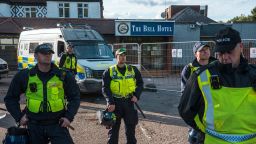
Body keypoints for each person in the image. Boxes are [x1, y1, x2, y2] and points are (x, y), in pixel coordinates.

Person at [178, 27, 256, 144]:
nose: (224, 57)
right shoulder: (201, 75)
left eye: (229, 51)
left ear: (240, 47)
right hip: (213, 140)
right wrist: (204, 130)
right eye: (220, 52)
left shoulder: (253, 75)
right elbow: (185, 110)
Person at [4, 43, 80, 144]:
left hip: (57, 124)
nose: (47, 55)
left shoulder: (63, 76)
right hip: (34, 125)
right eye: (44, 53)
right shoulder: (25, 76)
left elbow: (75, 97)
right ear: (35, 55)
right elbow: (10, 98)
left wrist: (68, 117)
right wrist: (19, 117)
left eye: (50, 53)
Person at [102, 48, 144, 144]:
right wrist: (110, 102)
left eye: (124, 55)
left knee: (130, 131)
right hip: (115, 103)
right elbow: (105, 88)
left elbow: (140, 83)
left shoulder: (133, 70)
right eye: (120, 55)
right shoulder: (109, 71)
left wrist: (136, 95)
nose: (122, 57)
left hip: (129, 102)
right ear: (116, 57)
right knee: (113, 130)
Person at [181, 42, 216, 144]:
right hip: (198, 116)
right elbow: (185, 96)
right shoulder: (189, 70)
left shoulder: (217, 66)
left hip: (217, 115)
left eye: (207, 49)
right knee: (194, 139)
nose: (205, 51)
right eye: (201, 50)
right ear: (195, 54)